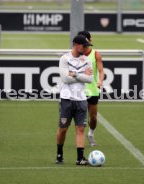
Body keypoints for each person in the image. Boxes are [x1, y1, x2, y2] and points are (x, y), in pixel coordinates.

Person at [56, 35, 93, 165]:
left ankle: (80, 158)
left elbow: (90, 79)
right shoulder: (64, 59)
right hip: (66, 99)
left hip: (81, 99)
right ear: (76, 44)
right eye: (85, 45)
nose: (87, 48)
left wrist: (75, 74)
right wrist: (82, 75)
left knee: (81, 129)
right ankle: (59, 154)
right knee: (63, 128)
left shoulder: (87, 60)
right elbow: (65, 79)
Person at [77, 31, 104, 147]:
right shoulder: (75, 54)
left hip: (92, 90)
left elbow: (101, 70)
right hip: (79, 90)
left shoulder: (96, 54)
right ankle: (80, 140)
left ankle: (91, 134)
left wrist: (100, 81)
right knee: (80, 118)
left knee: (93, 117)